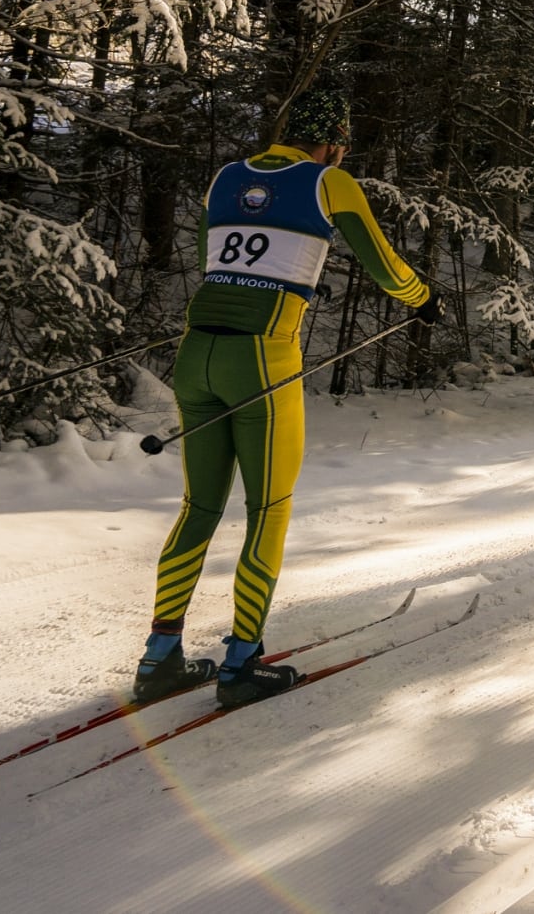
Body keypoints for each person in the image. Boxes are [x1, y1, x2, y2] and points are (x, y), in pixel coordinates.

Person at [133, 87, 438, 708]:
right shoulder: (331, 182)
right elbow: (383, 266)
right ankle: (241, 664)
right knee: (267, 509)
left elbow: (212, 259)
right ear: (333, 143)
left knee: (199, 506)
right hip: (262, 361)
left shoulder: (226, 177)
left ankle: (159, 657)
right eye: (342, 148)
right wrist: (422, 299)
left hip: (197, 354)